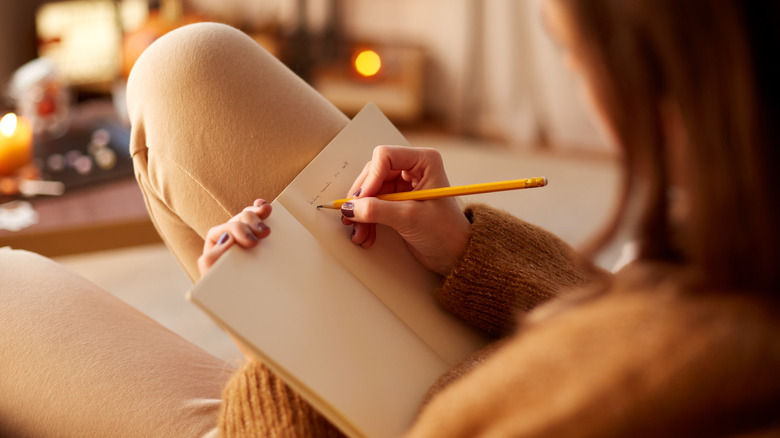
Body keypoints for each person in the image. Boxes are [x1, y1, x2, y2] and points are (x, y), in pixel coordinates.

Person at [0, 0, 777, 436]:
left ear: (676, 83)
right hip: (474, 357)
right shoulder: (737, 264)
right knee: (189, 67)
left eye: (572, 53)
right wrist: (469, 247)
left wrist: (281, 340)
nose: (580, 85)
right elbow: (610, 328)